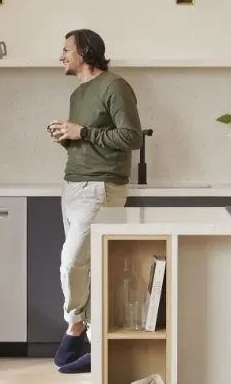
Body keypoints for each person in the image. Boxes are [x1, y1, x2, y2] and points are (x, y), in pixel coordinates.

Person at [47, 29, 143, 374]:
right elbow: (88, 136)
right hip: (72, 186)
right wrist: (67, 137)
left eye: (65, 50)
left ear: (84, 52)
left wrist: (82, 133)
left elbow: (131, 137)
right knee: (85, 268)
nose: (61, 56)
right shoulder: (79, 93)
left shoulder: (115, 85)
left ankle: (75, 328)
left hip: (101, 188)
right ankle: (95, 346)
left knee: (72, 263)